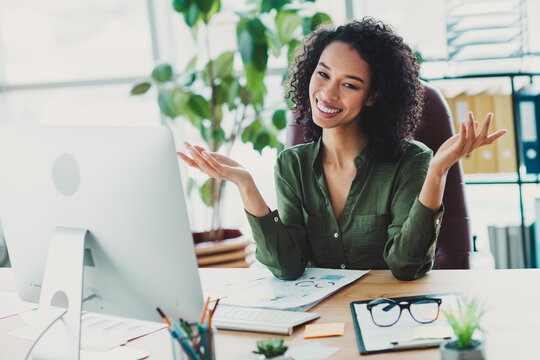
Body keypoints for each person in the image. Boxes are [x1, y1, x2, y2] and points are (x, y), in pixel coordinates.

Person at [178, 18, 506, 281]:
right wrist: (246, 184)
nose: (327, 93)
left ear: (373, 96)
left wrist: (437, 171)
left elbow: (407, 266)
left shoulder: (412, 161)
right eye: (323, 74)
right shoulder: (291, 165)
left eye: (349, 84)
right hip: (320, 323)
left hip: (389, 315)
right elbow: (287, 267)